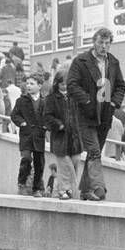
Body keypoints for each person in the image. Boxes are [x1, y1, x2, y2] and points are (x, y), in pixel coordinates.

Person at [66, 27, 125, 201]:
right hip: (85, 115)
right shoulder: (81, 61)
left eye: (107, 43)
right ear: (94, 42)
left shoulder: (113, 62)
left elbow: (121, 86)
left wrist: (114, 102)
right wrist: (86, 101)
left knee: (95, 152)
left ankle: (85, 191)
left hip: (105, 115)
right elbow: (72, 85)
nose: (104, 46)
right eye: (100, 42)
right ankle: (99, 188)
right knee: (94, 151)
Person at [43, 70, 83, 199]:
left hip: (75, 137)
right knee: (65, 165)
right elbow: (47, 116)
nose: (65, 86)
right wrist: (58, 124)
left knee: (76, 161)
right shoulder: (51, 98)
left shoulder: (75, 97)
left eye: (67, 84)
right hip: (60, 138)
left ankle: (69, 189)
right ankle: (63, 190)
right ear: (57, 84)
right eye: (62, 84)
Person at [10, 76, 47, 195]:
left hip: (39, 136)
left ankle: (36, 188)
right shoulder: (21, 100)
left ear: (39, 86)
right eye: (27, 83)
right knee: (26, 158)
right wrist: (22, 123)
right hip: (26, 135)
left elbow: (49, 117)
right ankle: (21, 181)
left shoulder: (45, 101)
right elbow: (14, 115)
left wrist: (46, 126)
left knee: (39, 163)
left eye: (32, 83)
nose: (28, 86)